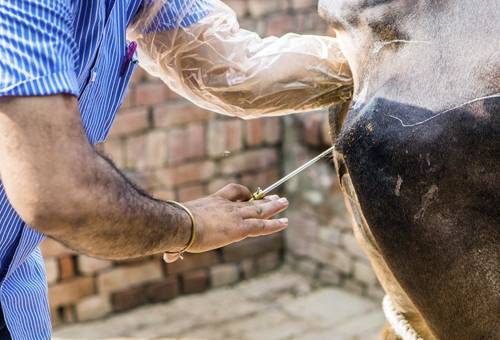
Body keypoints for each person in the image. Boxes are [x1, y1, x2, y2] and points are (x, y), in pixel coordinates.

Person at [0, 0, 352, 338]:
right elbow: (61, 193)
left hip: (15, 288)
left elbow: (231, 68)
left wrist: (375, 58)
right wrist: (189, 226)